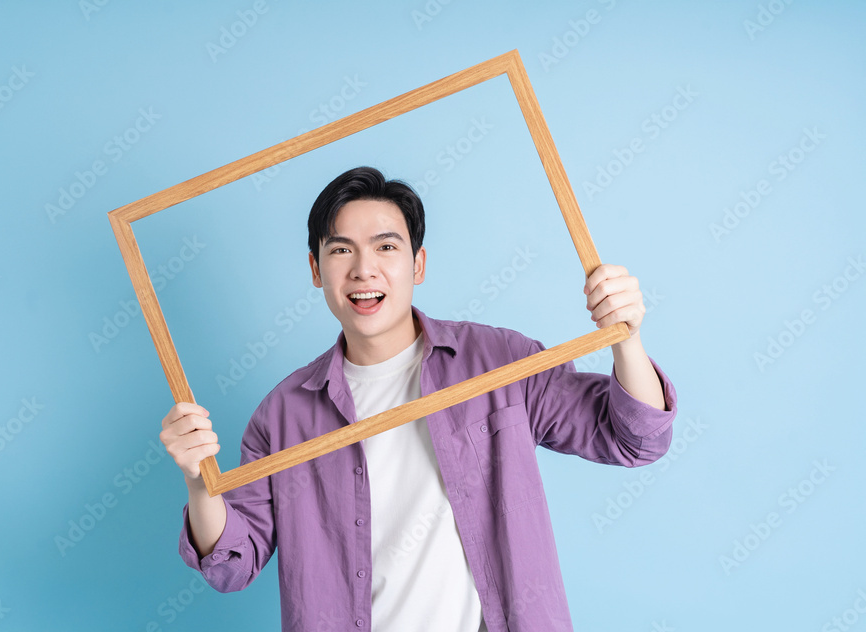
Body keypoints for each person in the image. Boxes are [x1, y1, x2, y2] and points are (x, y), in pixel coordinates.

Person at [159, 166, 677, 631]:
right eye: (341, 250)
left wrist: (625, 338)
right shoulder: (283, 414)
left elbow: (634, 439)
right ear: (316, 270)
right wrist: (199, 482)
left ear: (418, 263)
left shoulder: (501, 360)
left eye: (386, 247)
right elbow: (231, 565)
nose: (364, 270)